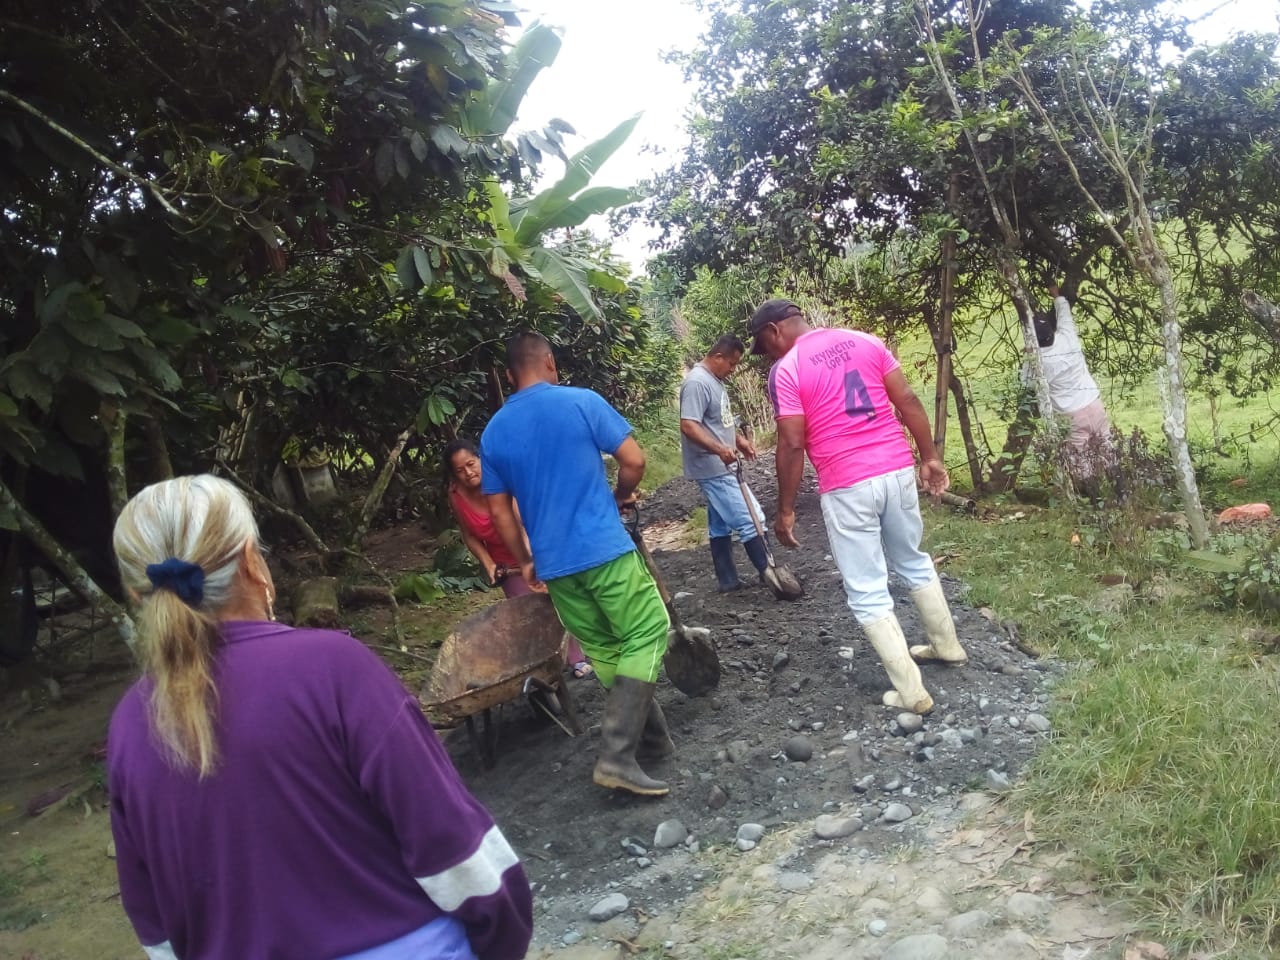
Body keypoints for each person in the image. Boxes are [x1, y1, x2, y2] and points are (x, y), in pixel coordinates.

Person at [107, 475, 532, 960]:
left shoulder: (129, 725)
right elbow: (448, 841)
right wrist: (503, 939)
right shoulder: (333, 668)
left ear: (137, 595)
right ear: (250, 560)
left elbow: (155, 926)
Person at [749, 299, 968, 716]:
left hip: (847, 483)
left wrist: (786, 509)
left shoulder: (788, 369)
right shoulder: (864, 340)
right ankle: (947, 646)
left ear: (775, 331)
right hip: (897, 469)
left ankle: (911, 693)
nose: (768, 356)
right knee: (913, 559)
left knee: (867, 588)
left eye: (765, 345)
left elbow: (792, 443)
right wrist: (930, 457)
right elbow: (907, 399)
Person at [480, 332, 674, 797]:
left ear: (509, 374)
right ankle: (617, 755)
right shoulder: (581, 402)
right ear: (549, 361)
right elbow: (634, 460)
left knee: (605, 649)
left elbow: (499, 513)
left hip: (554, 565)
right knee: (649, 630)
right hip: (603, 548)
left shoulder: (493, 432)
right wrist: (621, 495)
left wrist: (526, 560)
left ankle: (652, 741)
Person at [444, 438, 593, 679]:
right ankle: (548, 664)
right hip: (505, 563)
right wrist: (489, 564)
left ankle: (577, 657)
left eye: (471, 464)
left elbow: (521, 526)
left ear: (480, 459)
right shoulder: (456, 496)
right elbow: (469, 535)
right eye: (460, 470)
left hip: (534, 546)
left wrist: (531, 562)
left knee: (558, 601)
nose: (468, 473)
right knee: (528, 614)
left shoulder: (499, 481)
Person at [679, 334, 774, 592]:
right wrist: (720, 449)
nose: (733, 369)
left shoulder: (714, 381)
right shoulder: (697, 382)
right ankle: (771, 574)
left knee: (719, 524)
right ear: (718, 357)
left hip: (720, 463)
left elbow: (719, 421)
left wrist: (738, 441)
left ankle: (728, 580)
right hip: (713, 466)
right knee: (752, 518)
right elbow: (689, 425)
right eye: (731, 364)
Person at [1036, 284, 1111, 483]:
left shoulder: (1039, 362)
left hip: (1072, 415)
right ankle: (1122, 494)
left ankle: (1093, 498)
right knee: (1108, 450)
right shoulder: (1068, 338)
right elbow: (1065, 317)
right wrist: (1057, 297)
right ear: (1052, 332)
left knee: (1081, 463)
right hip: (1093, 403)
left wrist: (1029, 356)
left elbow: (1026, 381)